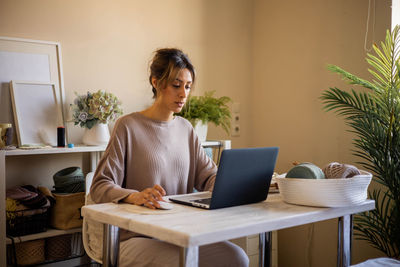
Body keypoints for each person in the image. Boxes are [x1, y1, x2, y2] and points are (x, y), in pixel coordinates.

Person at [89, 48, 249, 267]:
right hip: (134, 237)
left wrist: (238, 183)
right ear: (156, 82)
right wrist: (135, 196)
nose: (183, 93)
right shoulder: (128, 126)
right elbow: (99, 185)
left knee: (237, 258)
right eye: (176, 85)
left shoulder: (186, 129)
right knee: (184, 263)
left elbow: (209, 176)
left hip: (178, 233)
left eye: (188, 86)